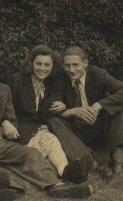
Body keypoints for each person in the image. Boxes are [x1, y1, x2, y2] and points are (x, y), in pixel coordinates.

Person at [0, 50, 94, 201]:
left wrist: (3, 126)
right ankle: (6, 188)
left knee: (30, 153)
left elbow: (13, 122)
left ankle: (57, 186)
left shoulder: (3, 89)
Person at [8, 45, 92, 183]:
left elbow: (47, 111)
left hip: (41, 125)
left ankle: (66, 171)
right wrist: (7, 122)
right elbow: (7, 106)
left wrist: (63, 106)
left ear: (53, 66)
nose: (42, 68)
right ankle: (65, 171)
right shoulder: (17, 80)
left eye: (47, 65)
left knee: (53, 141)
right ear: (31, 64)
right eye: (38, 64)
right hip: (19, 125)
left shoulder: (53, 83)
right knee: (47, 141)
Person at [47, 46, 123, 176]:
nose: (71, 70)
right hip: (77, 131)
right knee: (53, 121)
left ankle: (117, 161)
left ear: (85, 63)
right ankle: (89, 161)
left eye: (75, 65)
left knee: (119, 109)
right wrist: (72, 111)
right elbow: (47, 110)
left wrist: (99, 105)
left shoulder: (98, 74)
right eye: (67, 66)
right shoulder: (61, 79)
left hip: (100, 127)